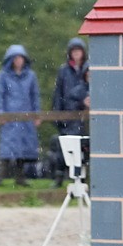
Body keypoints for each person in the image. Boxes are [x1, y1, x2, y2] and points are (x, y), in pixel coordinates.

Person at [0, 44, 40, 187]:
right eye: (16, 58)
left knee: (23, 149)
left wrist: (36, 114)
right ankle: (0, 177)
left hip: (26, 116)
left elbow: (35, 96)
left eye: (21, 58)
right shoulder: (3, 76)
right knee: (7, 148)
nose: (19, 61)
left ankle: (20, 178)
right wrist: (1, 113)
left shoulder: (31, 76)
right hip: (9, 117)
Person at [50, 37, 89, 186]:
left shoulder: (89, 69)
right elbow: (59, 93)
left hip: (83, 116)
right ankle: (60, 178)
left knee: (82, 148)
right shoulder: (64, 71)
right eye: (74, 51)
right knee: (64, 146)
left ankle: (81, 179)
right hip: (67, 114)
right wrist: (57, 114)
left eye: (79, 50)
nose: (76, 53)